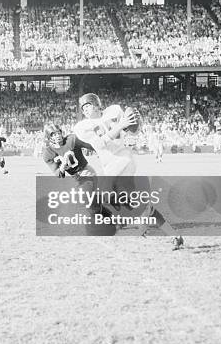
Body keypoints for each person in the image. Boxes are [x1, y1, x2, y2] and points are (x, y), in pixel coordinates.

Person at [73, 93, 184, 250]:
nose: (85, 109)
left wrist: (135, 124)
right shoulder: (81, 127)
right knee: (135, 204)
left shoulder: (114, 110)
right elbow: (99, 144)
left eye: (88, 105)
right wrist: (121, 124)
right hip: (111, 165)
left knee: (103, 197)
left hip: (123, 160)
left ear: (97, 104)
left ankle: (124, 223)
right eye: (83, 107)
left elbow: (133, 132)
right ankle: (169, 232)